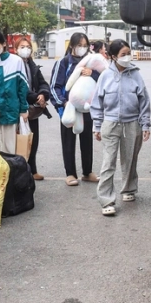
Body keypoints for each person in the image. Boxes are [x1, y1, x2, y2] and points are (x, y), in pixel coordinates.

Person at [91, 39, 151, 216]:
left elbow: (144, 100)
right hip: (110, 124)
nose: (127, 57)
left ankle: (128, 189)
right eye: (123, 55)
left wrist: (145, 123)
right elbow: (97, 103)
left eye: (128, 53)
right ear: (112, 57)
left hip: (132, 123)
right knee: (108, 163)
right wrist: (97, 125)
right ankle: (106, 200)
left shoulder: (135, 74)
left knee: (130, 159)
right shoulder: (105, 76)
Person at [51, 33, 100, 187]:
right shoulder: (63, 62)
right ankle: (70, 173)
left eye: (85, 45)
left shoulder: (91, 62)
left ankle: (87, 172)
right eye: (79, 45)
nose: (82, 48)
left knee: (87, 140)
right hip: (69, 109)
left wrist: (93, 74)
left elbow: (103, 79)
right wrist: (63, 103)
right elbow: (54, 86)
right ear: (72, 45)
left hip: (86, 108)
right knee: (68, 141)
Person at [15, 37, 52, 181]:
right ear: (15, 49)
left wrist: (43, 94)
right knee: (20, 141)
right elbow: (20, 88)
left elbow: (43, 83)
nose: (25, 49)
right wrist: (36, 97)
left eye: (28, 46)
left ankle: (33, 169)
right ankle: (22, 172)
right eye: (22, 46)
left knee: (33, 140)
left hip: (33, 109)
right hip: (20, 108)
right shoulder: (15, 65)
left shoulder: (32, 65)